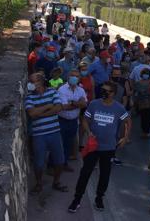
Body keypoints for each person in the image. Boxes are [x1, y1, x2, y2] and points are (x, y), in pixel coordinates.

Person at [68, 81, 130, 213]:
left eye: (107, 91)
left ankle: (99, 198)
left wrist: (125, 137)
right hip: (93, 147)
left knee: (105, 174)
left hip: (109, 148)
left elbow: (127, 121)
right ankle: (77, 199)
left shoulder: (119, 108)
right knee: (85, 173)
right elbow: (85, 120)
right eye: (103, 89)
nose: (104, 92)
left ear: (113, 94)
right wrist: (89, 132)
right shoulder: (94, 104)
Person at [24, 73, 67, 194]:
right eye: (30, 81)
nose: (30, 84)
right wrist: (48, 106)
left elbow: (58, 108)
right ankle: (38, 184)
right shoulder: (29, 97)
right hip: (39, 135)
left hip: (54, 133)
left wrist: (41, 114)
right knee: (39, 162)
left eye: (32, 81)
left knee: (60, 160)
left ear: (41, 82)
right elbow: (32, 113)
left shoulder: (52, 92)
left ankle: (56, 182)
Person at [57, 70, 87, 172]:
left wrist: (73, 103)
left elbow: (85, 104)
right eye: (73, 76)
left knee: (68, 144)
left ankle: (64, 163)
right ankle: (52, 165)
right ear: (68, 77)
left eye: (77, 76)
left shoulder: (80, 90)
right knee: (59, 144)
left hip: (74, 121)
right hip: (62, 121)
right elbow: (64, 107)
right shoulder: (62, 90)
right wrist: (78, 103)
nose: (75, 78)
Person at [134, 68, 150, 138]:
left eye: (147, 74)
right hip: (145, 103)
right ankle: (145, 131)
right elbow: (137, 93)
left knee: (146, 117)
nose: (145, 75)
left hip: (149, 103)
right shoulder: (140, 83)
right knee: (145, 117)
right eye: (145, 73)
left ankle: (145, 131)